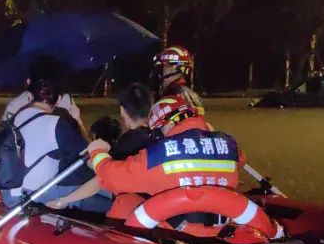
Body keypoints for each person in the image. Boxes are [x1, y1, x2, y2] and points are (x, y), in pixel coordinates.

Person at [86, 93, 246, 221]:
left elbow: (115, 179)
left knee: (125, 202)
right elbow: (240, 161)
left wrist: (97, 153)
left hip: (177, 232)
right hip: (220, 224)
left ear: (168, 124)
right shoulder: (229, 145)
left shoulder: (160, 154)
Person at [2, 72, 111, 213]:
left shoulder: (17, 118)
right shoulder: (56, 125)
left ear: (29, 97)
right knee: (103, 193)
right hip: (30, 194)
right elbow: (92, 160)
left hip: (9, 190)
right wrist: (78, 121)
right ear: (59, 100)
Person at [45, 83, 155, 210]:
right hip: (149, 200)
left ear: (122, 110)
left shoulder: (126, 144)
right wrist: (78, 121)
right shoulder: (153, 135)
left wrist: (64, 201)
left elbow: (102, 178)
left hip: (132, 205)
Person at [154, 45, 203, 113]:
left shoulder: (174, 96)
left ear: (173, 69)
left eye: (164, 66)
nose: (161, 70)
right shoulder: (187, 93)